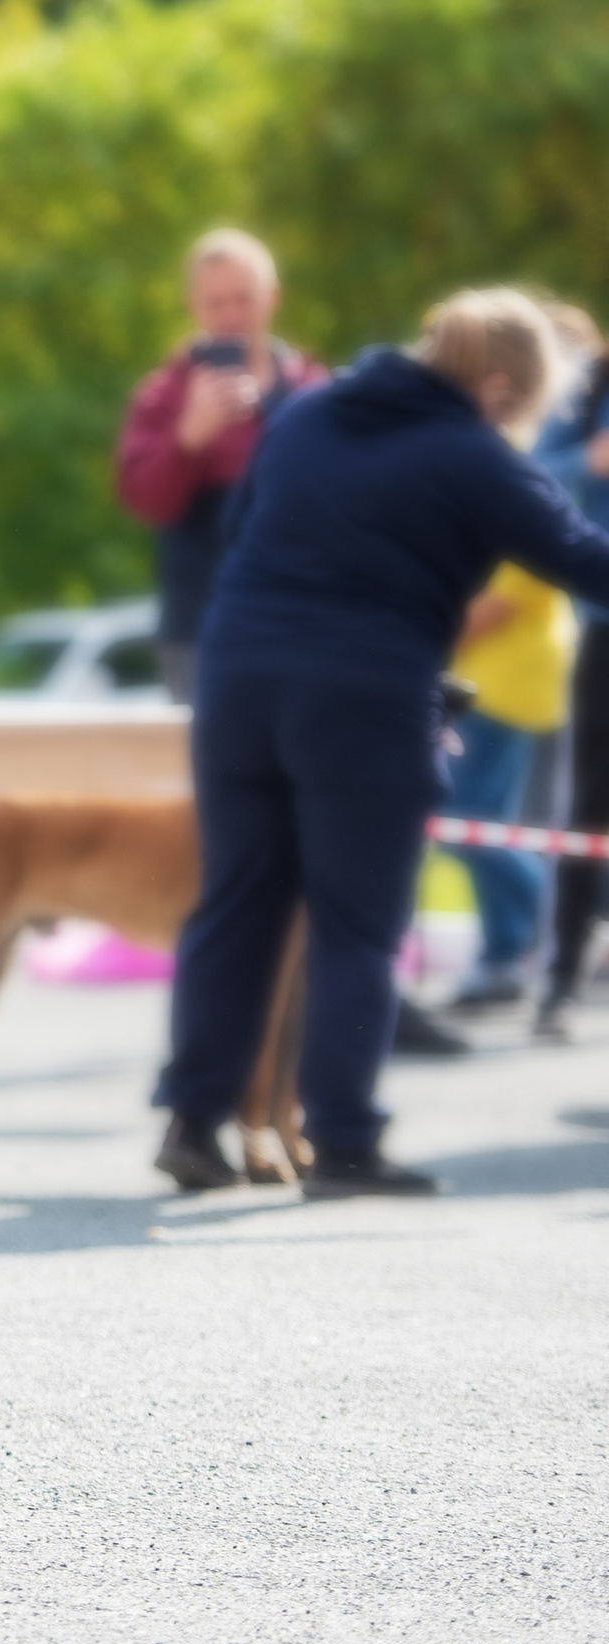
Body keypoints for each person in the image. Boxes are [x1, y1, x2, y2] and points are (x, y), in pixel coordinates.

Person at [153, 289, 609, 1198]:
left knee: (235, 903)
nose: (521, 423)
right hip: (363, 696)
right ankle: (345, 1141)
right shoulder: (475, 454)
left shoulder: (309, 411)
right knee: (358, 923)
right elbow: (583, 560)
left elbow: (244, 533)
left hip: (238, 682)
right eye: (523, 405)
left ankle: (194, 1122)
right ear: (494, 384)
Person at [115, 229, 328, 704]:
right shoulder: (164, 395)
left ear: (272, 298)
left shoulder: (312, 389)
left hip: (302, 623)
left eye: (243, 299)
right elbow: (144, 501)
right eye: (215, 303)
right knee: (207, 775)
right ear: (194, 305)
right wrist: (187, 441)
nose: (231, 316)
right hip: (200, 630)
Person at [440, 562, 574, 1011]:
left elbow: (488, 612)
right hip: (501, 688)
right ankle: (503, 958)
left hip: (496, 693)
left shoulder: (517, 525)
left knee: (461, 824)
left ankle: (565, 907)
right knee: (485, 826)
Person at [530, 336, 609, 1039]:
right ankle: (560, 978)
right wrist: (589, 460)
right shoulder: (588, 387)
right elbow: (525, 472)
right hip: (603, 623)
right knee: (587, 805)